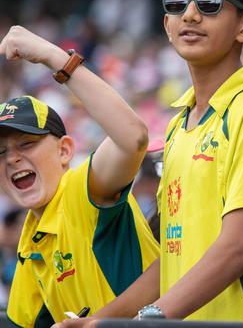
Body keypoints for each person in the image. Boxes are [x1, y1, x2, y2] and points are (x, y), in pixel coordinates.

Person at [75, 0, 243, 326]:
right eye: (177, 5)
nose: (190, 15)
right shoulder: (180, 124)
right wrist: (101, 321)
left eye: (209, 4)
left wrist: (149, 319)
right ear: (166, 24)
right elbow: (174, 262)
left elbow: (237, 248)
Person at [0, 26, 159, 325]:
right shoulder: (28, 243)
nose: (11, 158)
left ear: (65, 151)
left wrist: (54, 57)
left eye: (26, 144)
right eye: (0, 153)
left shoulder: (80, 189)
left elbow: (133, 138)